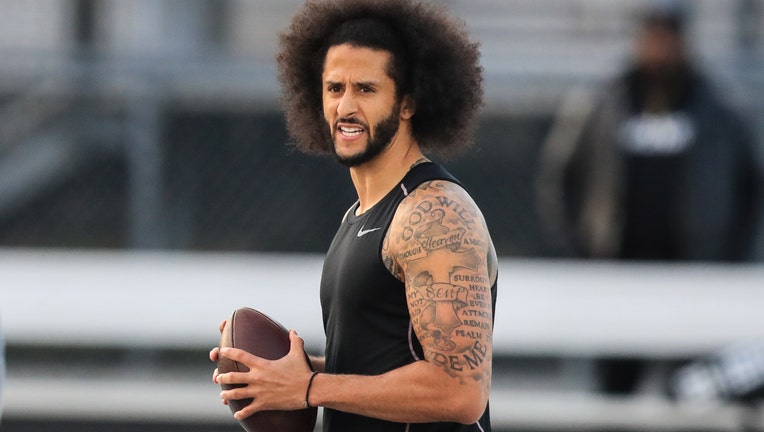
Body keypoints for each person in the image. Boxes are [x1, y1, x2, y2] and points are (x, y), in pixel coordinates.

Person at [210, 0, 498, 431]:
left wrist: (310, 388)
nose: (345, 107)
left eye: (365, 89)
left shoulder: (436, 215)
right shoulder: (359, 215)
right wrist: (285, 374)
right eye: (334, 88)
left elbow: (459, 391)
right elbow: (384, 360)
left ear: (407, 103)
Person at [536, 0, 763, 395]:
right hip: (617, 275)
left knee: (693, 389)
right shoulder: (603, 105)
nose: (660, 47)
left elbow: (749, 190)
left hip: (694, 279)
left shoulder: (716, 112)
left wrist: (729, 257)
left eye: (669, 37)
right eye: (652, 36)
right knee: (616, 388)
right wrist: (579, 248)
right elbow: (560, 179)